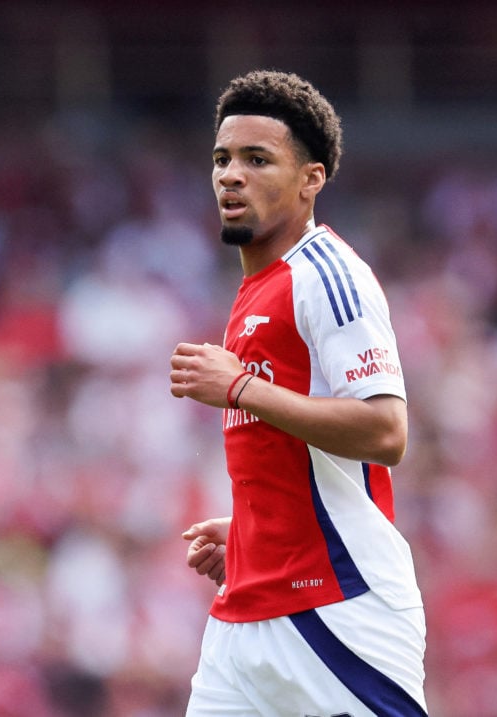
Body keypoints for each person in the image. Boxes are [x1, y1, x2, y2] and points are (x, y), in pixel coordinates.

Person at [170, 69, 427, 716]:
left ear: (311, 179)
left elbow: (385, 432)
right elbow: (303, 458)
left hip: (335, 608)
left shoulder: (328, 274)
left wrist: (239, 385)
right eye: (223, 159)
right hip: (247, 610)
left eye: (258, 160)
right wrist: (253, 532)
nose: (232, 175)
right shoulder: (258, 284)